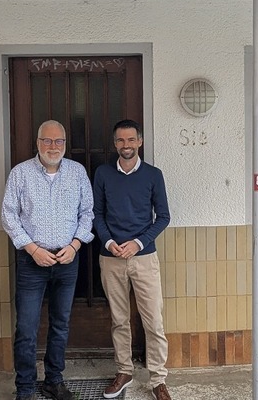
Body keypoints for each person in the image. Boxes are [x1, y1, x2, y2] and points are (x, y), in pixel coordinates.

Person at [2, 120, 94, 400]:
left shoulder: (77, 172)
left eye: (58, 141)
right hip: (32, 262)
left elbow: (87, 212)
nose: (53, 146)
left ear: (65, 144)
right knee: (26, 328)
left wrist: (75, 245)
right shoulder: (20, 173)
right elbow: (8, 215)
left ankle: (54, 381)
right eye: (47, 140)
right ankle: (25, 388)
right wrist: (32, 249)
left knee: (60, 325)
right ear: (38, 142)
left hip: (67, 260)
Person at [93, 119, 172, 400]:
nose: (125, 145)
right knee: (119, 319)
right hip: (111, 257)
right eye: (120, 140)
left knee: (154, 321)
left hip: (144, 257)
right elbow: (96, 214)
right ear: (115, 143)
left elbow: (163, 217)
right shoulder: (103, 173)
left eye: (130, 140)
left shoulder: (153, 175)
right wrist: (110, 242)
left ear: (140, 141)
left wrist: (138, 243)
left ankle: (158, 379)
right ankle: (124, 371)